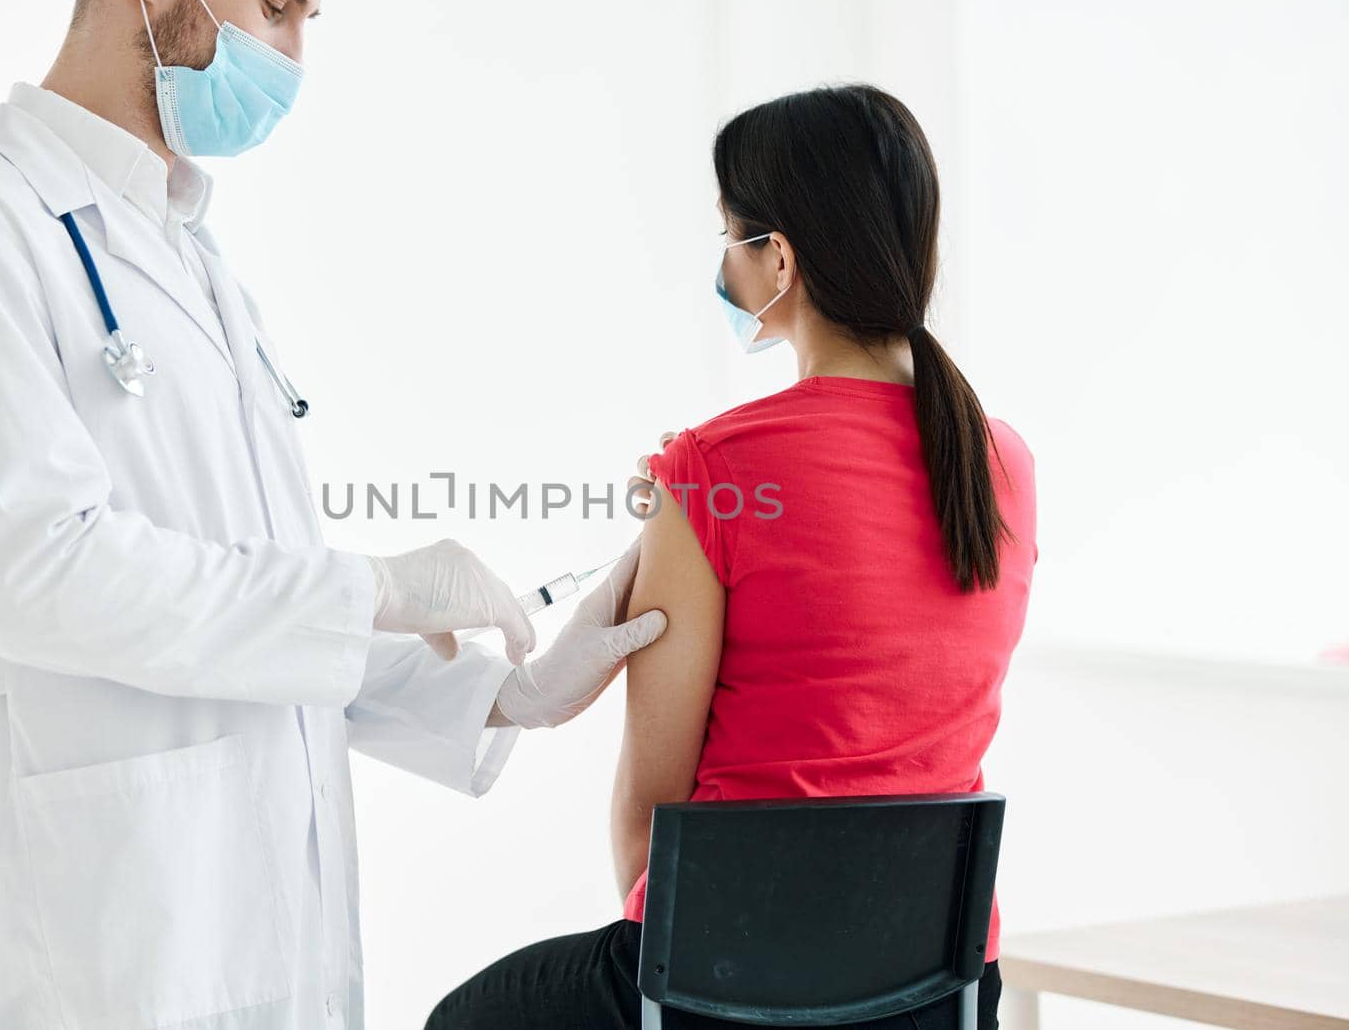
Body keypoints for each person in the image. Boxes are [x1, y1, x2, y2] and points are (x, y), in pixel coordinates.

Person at [0, 0, 667, 1028]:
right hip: (114, 941)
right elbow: (37, 573)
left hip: (276, 935)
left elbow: (245, 618)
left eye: (308, 20)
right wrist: (370, 587)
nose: (291, 60)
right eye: (275, 8)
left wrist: (503, 693)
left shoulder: (192, 258)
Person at [426, 85, 1037, 1029]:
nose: (723, 264)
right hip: (936, 988)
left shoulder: (711, 469)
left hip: (726, 981)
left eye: (730, 237)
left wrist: (691, 495)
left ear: (778, 259)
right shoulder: (1002, 463)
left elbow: (647, 831)